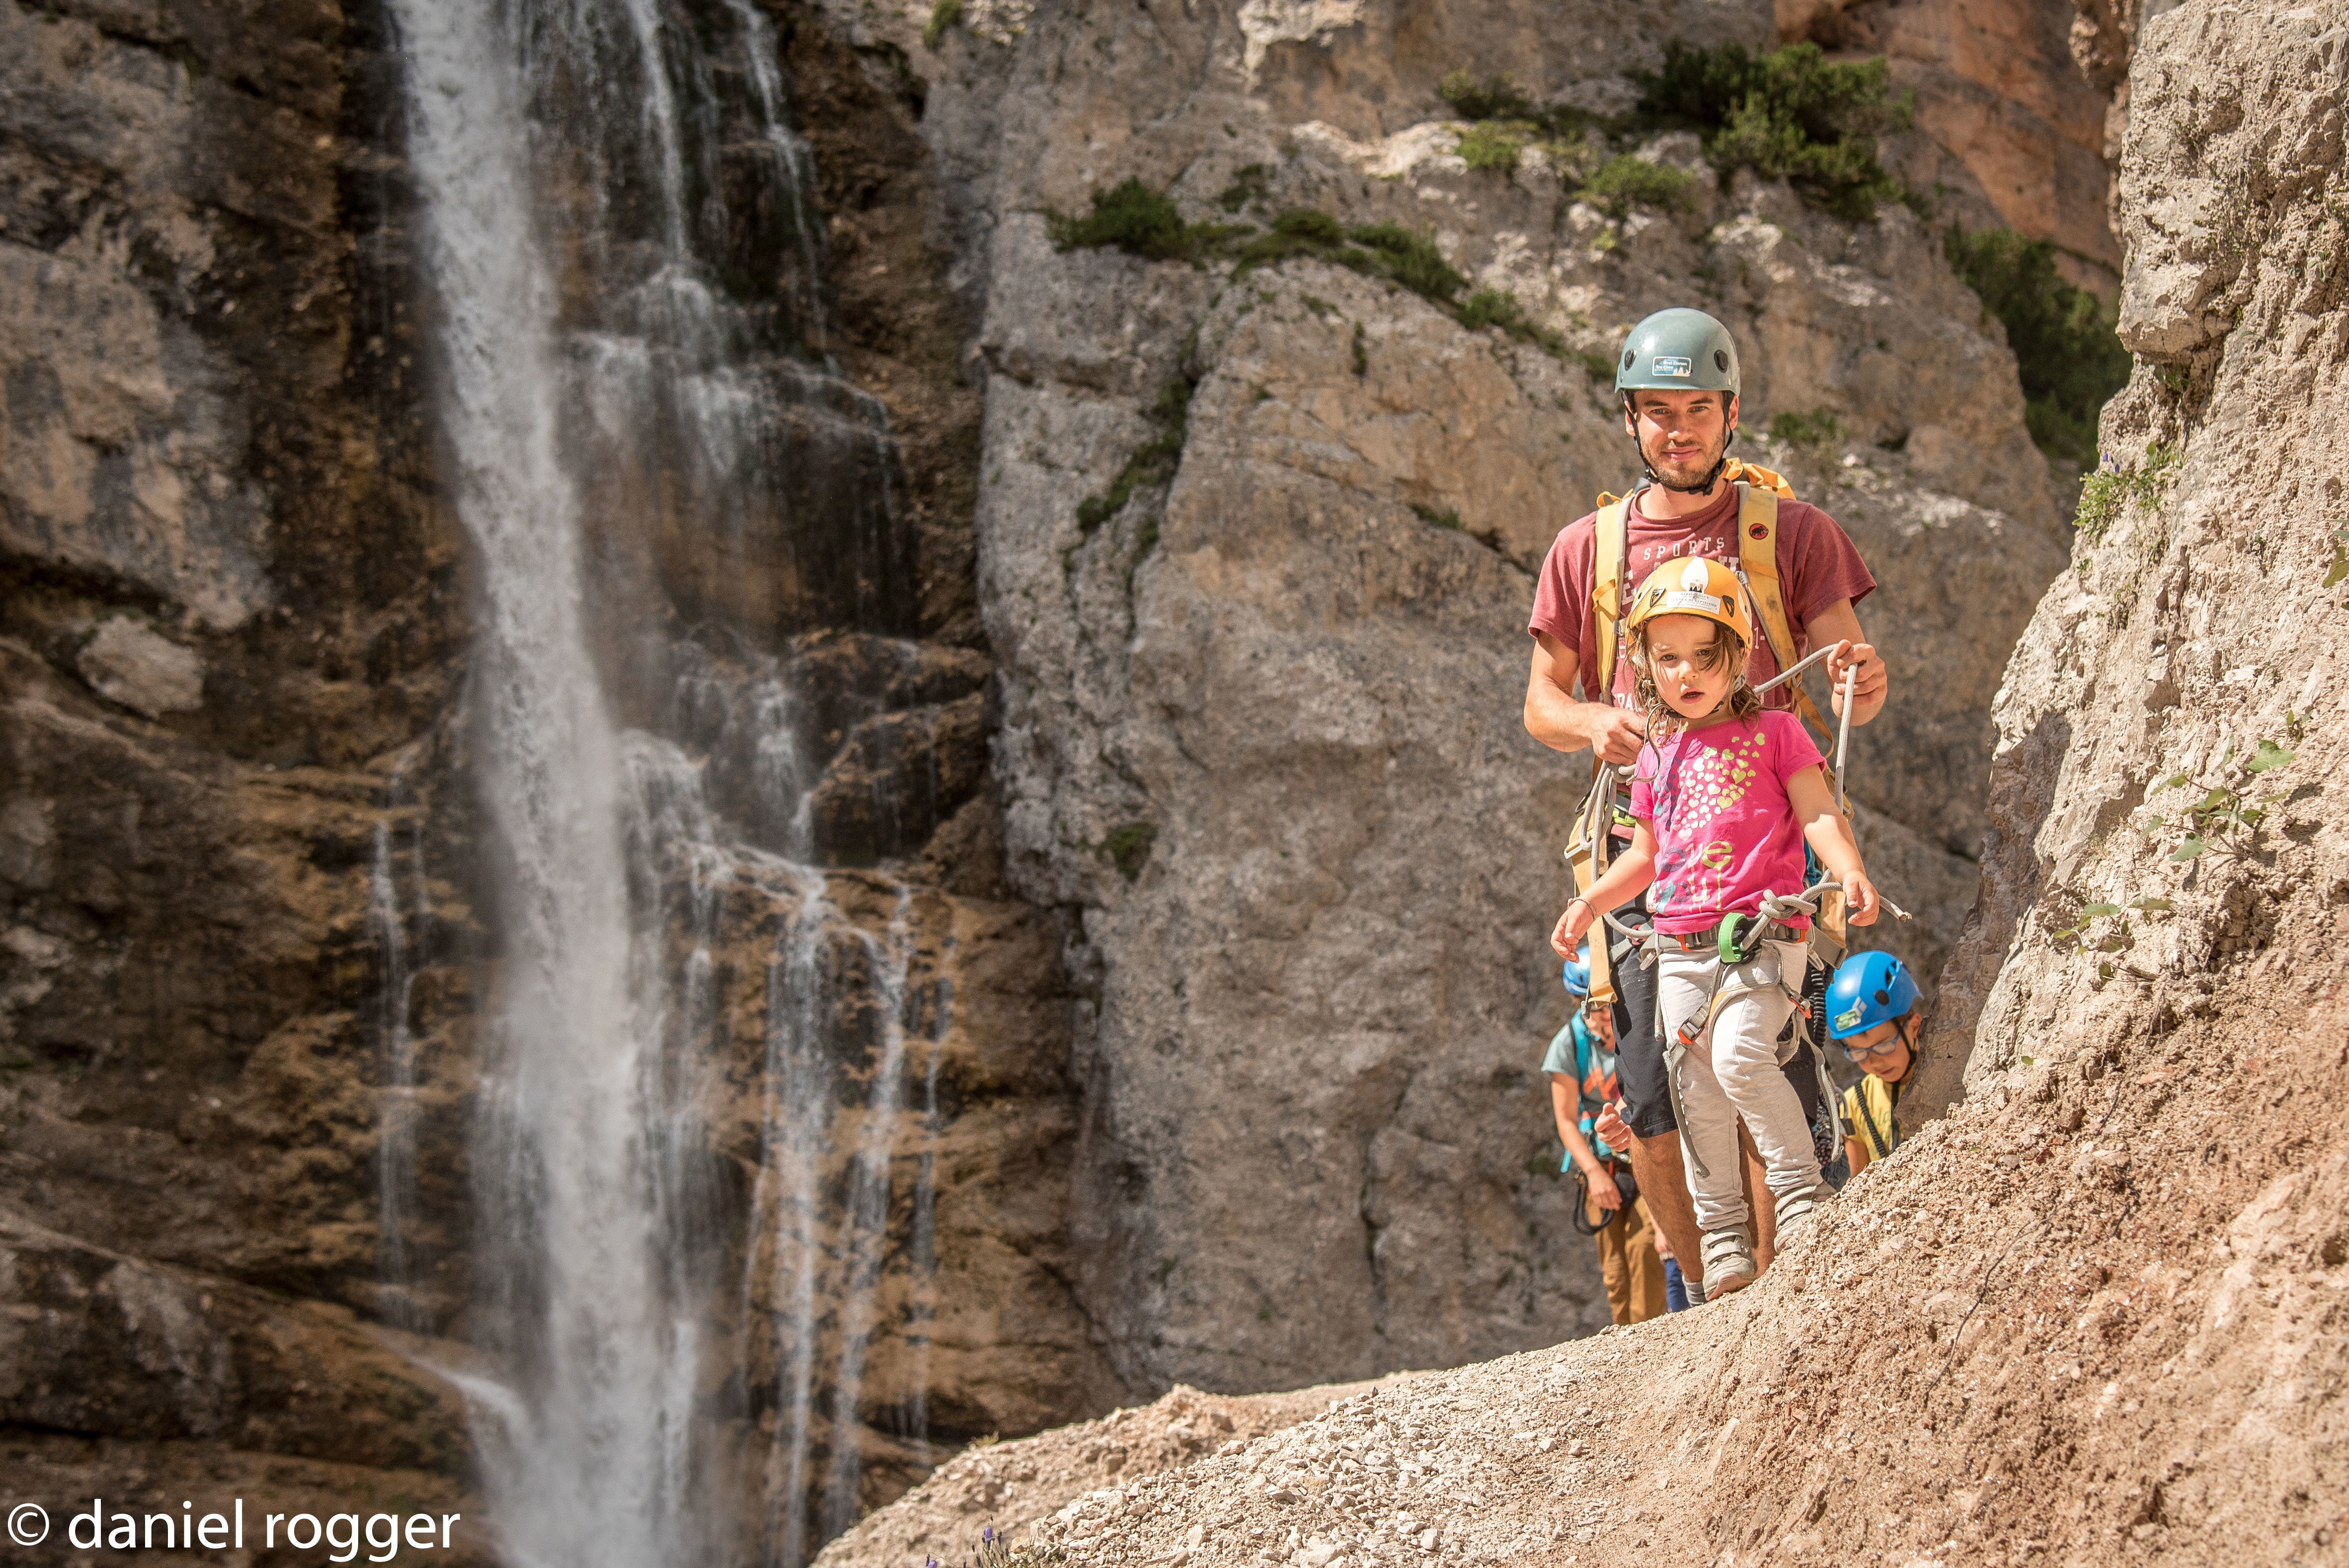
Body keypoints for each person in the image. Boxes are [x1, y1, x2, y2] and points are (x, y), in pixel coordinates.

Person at [1523, 307, 1889, 1299]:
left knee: (1766, 1054)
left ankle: (1782, 1289)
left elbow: (1844, 658)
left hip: (1768, 826)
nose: (1676, 431)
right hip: (1648, 831)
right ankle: (1700, 1308)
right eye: (1655, 412)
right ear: (1630, 421)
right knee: (1652, 1094)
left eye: (1696, 410)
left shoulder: (1793, 533)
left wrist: (1861, 682)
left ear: (1730, 415)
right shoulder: (1585, 551)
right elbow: (1541, 703)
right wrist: (1593, 724)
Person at [1550, 555, 1881, 1301]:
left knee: (1737, 1058)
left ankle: (1799, 1193)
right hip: (1677, 947)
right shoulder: (1656, 757)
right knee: (1692, 1088)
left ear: (1739, 658)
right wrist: (1592, 903)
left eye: (1706, 656)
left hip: (1760, 934)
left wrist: (1848, 867)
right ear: (1643, 666)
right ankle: (1723, 1232)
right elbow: (1644, 857)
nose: (1686, 674)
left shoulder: (1777, 731)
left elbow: (1817, 811)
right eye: (1667, 659)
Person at [1542, 944, 1666, 1326]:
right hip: (1602, 1164)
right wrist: (1594, 1175)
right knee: (1614, 1268)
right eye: (1590, 1005)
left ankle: (1648, 1338)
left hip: (1644, 1150)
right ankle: (1625, 1342)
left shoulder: (1640, 1031)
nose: (1600, 1014)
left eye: (1604, 1003)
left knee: (1647, 1247)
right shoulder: (1570, 1045)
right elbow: (1565, 1120)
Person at [1826, 949, 1923, 1176]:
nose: (1874, 1061)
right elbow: (1858, 1187)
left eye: (1883, 1047)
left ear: (1914, 1027)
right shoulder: (1854, 1105)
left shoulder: (1951, 1076)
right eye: (1858, 1053)